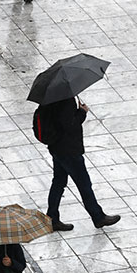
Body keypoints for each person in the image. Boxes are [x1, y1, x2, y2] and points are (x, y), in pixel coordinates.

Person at [40, 97, 120, 230]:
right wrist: (82, 112)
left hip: (57, 148)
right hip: (69, 151)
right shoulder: (65, 100)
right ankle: (98, 217)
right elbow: (69, 125)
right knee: (84, 185)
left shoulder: (50, 99)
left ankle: (52, 218)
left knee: (58, 183)